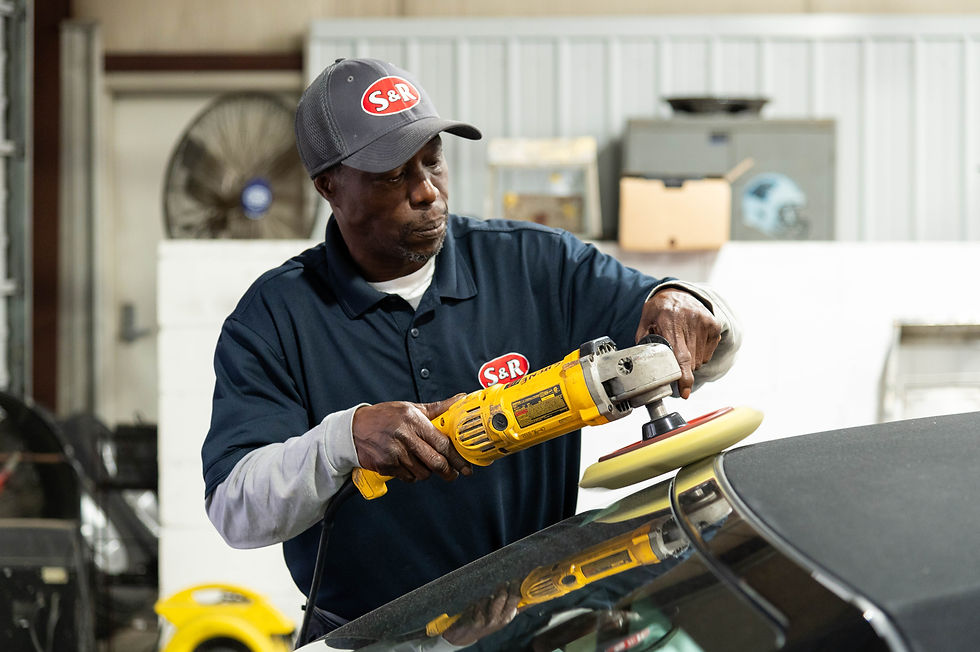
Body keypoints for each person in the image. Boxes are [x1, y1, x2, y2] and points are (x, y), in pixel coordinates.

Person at [202, 57, 741, 646]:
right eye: (391, 175)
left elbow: (702, 345)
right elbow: (235, 509)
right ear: (329, 186)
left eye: (432, 159)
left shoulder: (539, 266)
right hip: (370, 639)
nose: (427, 191)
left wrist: (687, 305)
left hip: (542, 627)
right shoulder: (274, 319)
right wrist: (342, 440)